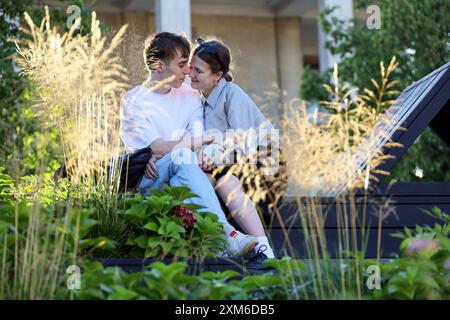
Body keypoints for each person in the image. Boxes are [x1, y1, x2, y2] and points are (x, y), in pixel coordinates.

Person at [119, 32, 258, 257]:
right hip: (149, 178)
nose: (188, 71)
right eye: (182, 64)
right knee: (181, 158)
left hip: (183, 170)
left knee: (182, 160)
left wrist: (169, 149)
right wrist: (195, 142)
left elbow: (179, 147)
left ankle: (218, 244)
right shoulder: (133, 101)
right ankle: (229, 235)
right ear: (158, 65)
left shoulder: (189, 95)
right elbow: (160, 148)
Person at [189, 37, 287, 262]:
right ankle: (220, 244)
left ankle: (260, 249)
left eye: (199, 71)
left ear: (217, 75)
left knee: (221, 182)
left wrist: (211, 155)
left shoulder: (232, 94)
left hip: (263, 168)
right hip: (230, 164)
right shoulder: (198, 99)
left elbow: (243, 141)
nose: (191, 74)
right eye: (191, 68)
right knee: (201, 180)